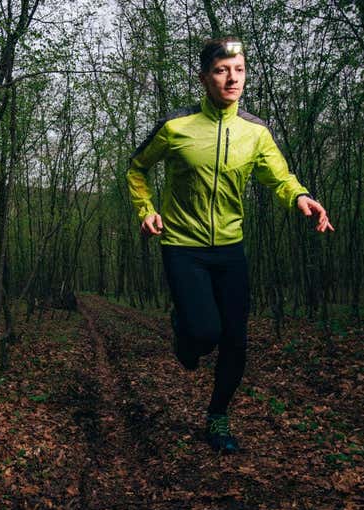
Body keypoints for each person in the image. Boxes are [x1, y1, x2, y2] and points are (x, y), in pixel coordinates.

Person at [126, 37, 334, 453]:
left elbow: (278, 175)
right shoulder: (175, 127)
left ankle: (217, 417)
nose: (231, 78)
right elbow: (137, 168)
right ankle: (185, 332)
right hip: (183, 246)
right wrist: (145, 209)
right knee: (204, 333)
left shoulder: (255, 131)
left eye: (238, 70)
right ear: (205, 77)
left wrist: (299, 196)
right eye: (222, 70)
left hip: (230, 249)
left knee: (236, 341)